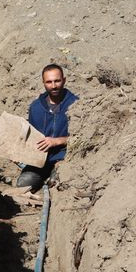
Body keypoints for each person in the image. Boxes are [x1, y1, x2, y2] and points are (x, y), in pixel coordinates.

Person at [16, 63, 78, 191]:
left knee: (58, 184)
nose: (54, 86)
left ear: (64, 80)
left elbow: (82, 138)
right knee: (23, 184)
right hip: (39, 160)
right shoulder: (35, 107)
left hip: (65, 159)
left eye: (57, 81)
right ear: (43, 83)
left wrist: (57, 141)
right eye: (49, 82)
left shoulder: (76, 105)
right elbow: (31, 136)